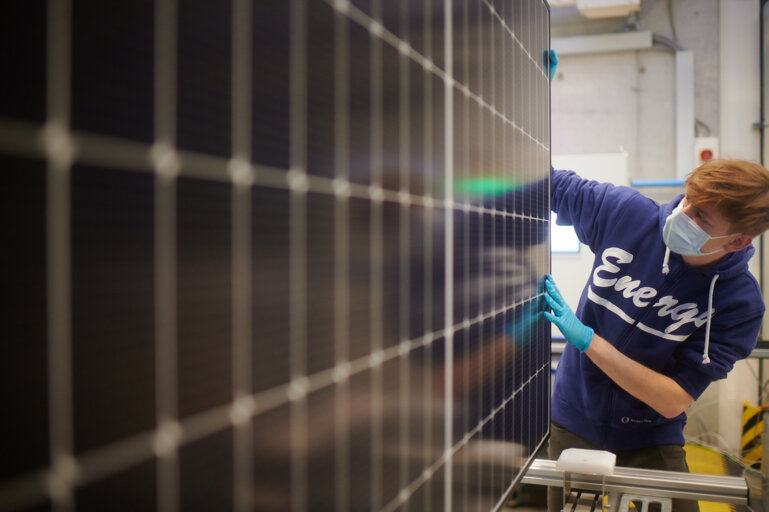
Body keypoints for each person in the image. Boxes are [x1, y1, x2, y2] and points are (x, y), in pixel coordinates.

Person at [543, 159, 769, 512]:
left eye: (702, 219)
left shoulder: (738, 303)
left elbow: (672, 399)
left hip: (649, 436)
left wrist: (589, 341)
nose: (682, 215)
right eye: (688, 200)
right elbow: (546, 180)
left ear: (737, 241)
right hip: (574, 417)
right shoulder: (627, 216)